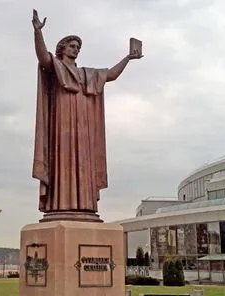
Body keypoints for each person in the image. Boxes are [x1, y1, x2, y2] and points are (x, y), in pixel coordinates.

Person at [31, 9, 143, 222]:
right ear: (62, 48)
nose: (76, 50)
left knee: (83, 161)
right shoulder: (55, 67)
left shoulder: (86, 74)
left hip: (82, 125)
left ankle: (84, 204)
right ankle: (60, 204)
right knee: (62, 160)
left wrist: (128, 57)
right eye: (72, 46)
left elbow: (110, 74)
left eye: (78, 47)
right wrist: (38, 33)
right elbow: (42, 57)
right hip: (61, 122)